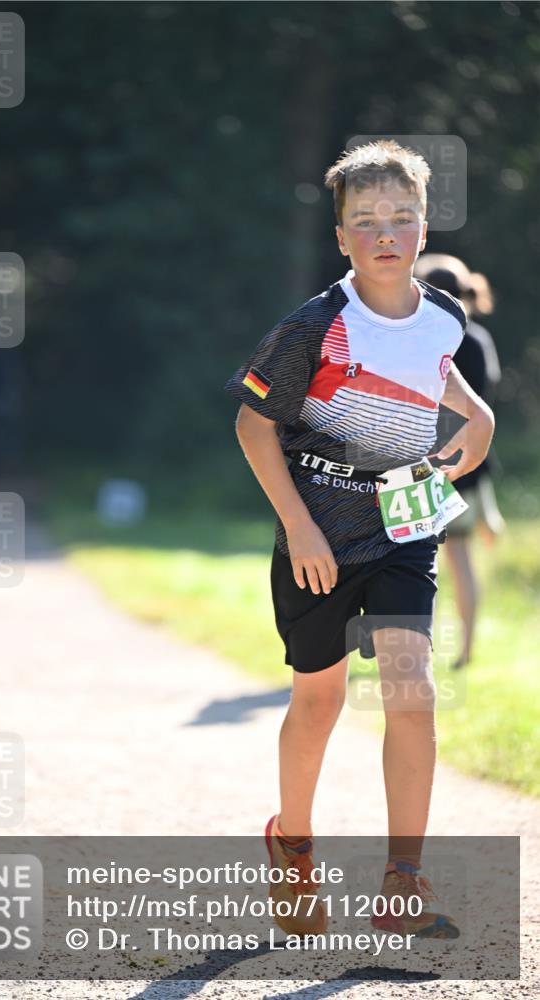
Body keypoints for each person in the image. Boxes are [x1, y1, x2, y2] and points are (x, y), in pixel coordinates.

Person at [223, 140, 494, 941]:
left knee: (412, 689)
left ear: (423, 228)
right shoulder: (313, 326)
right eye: (366, 220)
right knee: (319, 700)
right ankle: (293, 848)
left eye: (401, 218)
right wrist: (298, 526)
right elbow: (251, 426)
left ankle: (402, 879)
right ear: (341, 236)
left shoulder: (445, 314)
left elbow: (430, 365)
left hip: (404, 522)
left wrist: (476, 413)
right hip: (317, 530)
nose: (385, 233)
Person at [413, 254, 505, 670]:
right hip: (468, 464)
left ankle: (418, 652)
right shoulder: (480, 340)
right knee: (462, 561)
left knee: (417, 565)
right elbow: (484, 407)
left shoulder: (422, 338)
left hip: (420, 467)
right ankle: (466, 650)